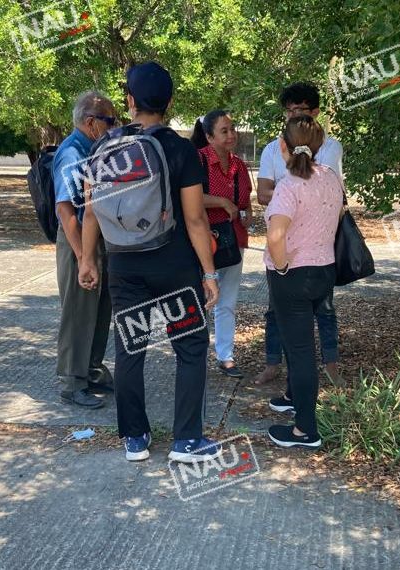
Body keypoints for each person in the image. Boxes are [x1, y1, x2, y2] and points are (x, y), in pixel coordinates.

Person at [78, 61, 223, 463]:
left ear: (129, 101)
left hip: (123, 264)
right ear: (169, 102)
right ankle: (186, 441)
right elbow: (195, 220)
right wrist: (209, 274)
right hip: (173, 265)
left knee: (130, 347)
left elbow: (91, 212)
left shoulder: (101, 147)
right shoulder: (181, 150)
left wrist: (88, 259)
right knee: (191, 346)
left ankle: (135, 439)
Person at [255, 82, 343, 386]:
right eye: (289, 110)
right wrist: (295, 192)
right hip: (295, 254)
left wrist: (287, 194)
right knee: (276, 313)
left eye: (300, 110)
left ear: (314, 113)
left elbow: (329, 196)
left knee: (323, 312)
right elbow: (262, 193)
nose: (293, 115)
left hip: (312, 250)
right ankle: (274, 364)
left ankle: (326, 369)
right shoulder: (272, 150)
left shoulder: (331, 147)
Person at [263, 115, 343, 449]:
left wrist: (281, 268)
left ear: (283, 145)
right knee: (302, 339)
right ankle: (294, 397)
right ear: (320, 144)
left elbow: (276, 235)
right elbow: (337, 215)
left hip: (292, 276)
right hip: (323, 270)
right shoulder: (331, 180)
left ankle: (305, 430)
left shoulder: (289, 185)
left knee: (299, 349)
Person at [52, 91, 118, 409]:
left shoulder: (93, 149)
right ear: (91, 122)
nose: (115, 126)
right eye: (111, 121)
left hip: (96, 240)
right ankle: (71, 381)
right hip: (78, 241)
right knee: (78, 314)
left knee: (99, 310)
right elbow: (66, 211)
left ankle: (91, 369)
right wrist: (83, 257)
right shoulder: (72, 153)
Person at [190, 110, 253, 379]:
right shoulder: (198, 160)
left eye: (232, 129)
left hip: (233, 240)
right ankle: (194, 355)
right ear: (208, 136)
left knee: (227, 301)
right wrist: (221, 202)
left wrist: (247, 213)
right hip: (204, 241)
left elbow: (246, 200)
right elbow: (190, 198)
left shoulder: (239, 165)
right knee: (201, 298)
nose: (231, 135)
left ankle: (225, 356)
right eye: (224, 131)